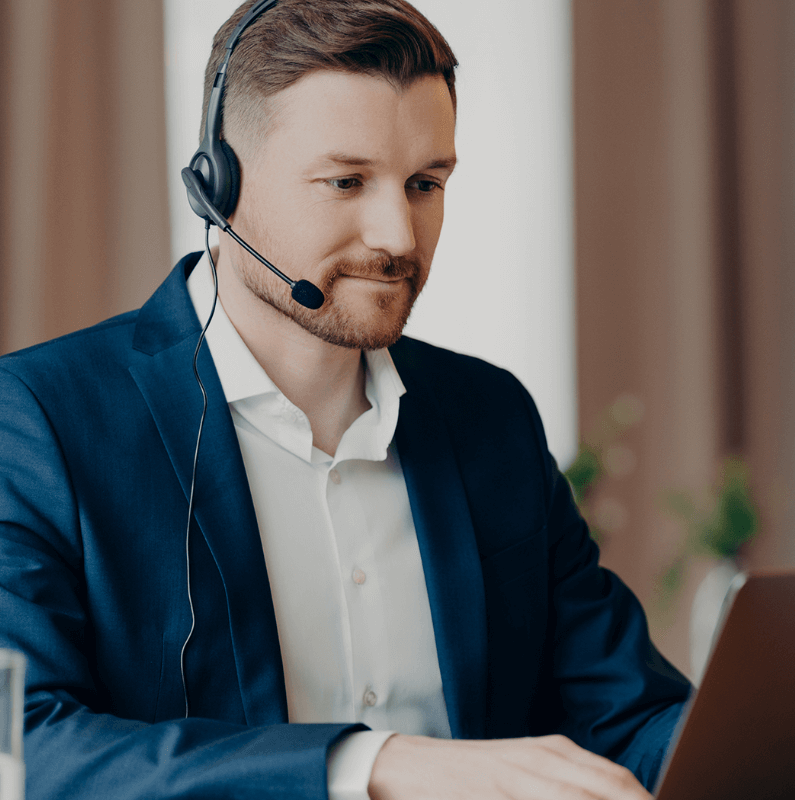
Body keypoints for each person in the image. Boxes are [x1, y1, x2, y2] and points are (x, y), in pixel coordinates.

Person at [0, 1, 691, 798]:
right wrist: (371, 765)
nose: (398, 235)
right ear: (216, 183)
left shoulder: (489, 417)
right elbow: (27, 747)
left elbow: (628, 717)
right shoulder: (38, 420)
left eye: (425, 183)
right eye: (346, 181)